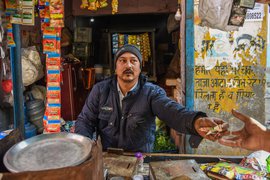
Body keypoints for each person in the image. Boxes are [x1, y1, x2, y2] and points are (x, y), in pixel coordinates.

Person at [75, 44, 229, 152]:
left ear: (140, 68)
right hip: (107, 157)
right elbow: (85, 121)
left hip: (140, 159)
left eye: (133, 61)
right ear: (115, 68)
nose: (128, 65)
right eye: (122, 61)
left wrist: (196, 121)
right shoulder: (100, 90)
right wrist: (84, 147)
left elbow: (172, 111)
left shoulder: (151, 93)